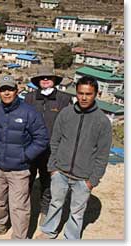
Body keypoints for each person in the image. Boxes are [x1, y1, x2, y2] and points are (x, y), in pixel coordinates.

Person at [36, 76, 112, 240]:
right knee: (55, 203)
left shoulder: (102, 122)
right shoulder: (66, 113)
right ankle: (49, 231)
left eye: (88, 94)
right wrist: (53, 168)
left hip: (83, 177)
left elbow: (102, 154)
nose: (84, 98)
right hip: (60, 172)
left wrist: (93, 180)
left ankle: (71, 238)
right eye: (80, 93)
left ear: (96, 94)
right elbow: (55, 141)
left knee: (77, 212)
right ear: (76, 93)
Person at [0, 75, 49, 239]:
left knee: (19, 206)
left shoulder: (29, 112)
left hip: (19, 169)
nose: (6, 93)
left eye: (10, 89)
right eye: (3, 89)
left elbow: (42, 139)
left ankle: (19, 237)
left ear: (16, 91)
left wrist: (25, 156)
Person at [24, 65, 72, 225]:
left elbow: (68, 126)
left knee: (48, 183)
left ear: (54, 80)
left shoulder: (64, 99)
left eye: (48, 77)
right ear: (37, 81)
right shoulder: (30, 98)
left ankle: (45, 211)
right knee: (26, 181)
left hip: (52, 151)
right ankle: (24, 211)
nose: (45, 80)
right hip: (31, 149)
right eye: (41, 78)